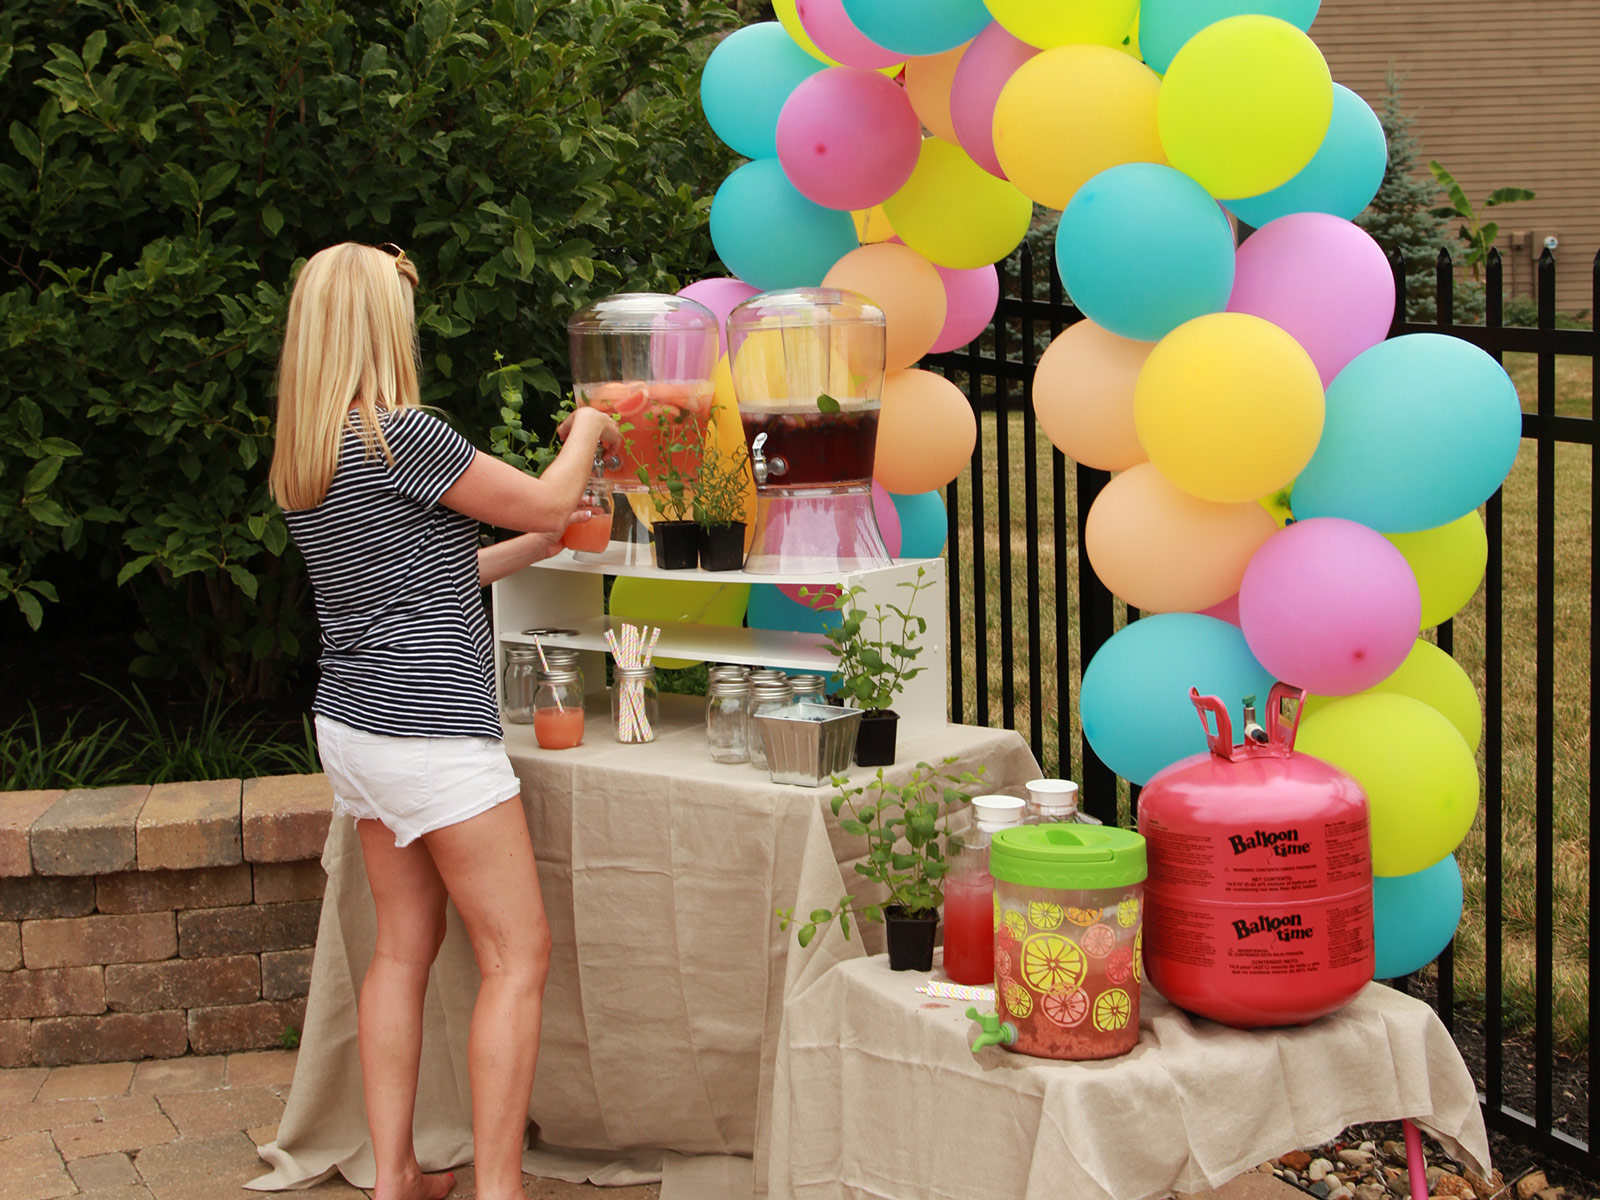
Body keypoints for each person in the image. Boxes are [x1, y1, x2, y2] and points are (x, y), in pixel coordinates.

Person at [268, 242, 620, 1200]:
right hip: (427, 732)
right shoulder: (402, 434)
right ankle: (500, 1189)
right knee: (519, 953)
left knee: (399, 949)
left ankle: (396, 1181)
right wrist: (588, 421)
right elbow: (553, 489)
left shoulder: (310, 451)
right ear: (381, 326)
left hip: (353, 726)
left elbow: (422, 582)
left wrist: (533, 544)